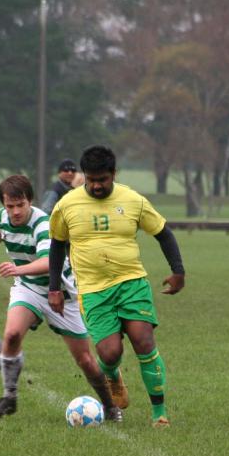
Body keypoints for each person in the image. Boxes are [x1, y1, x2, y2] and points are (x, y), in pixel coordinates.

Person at [48, 145, 185, 427]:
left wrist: (178, 271)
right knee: (110, 353)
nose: (96, 186)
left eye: (102, 179)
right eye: (91, 180)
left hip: (131, 283)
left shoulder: (133, 200)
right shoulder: (67, 205)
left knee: (144, 342)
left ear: (114, 174)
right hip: (93, 290)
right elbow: (57, 245)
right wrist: (54, 288)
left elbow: (163, 233)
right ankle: (112, 374)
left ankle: (159, 413)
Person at [0, 174, 122, 421]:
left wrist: (17, 269)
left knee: (85, 360)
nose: (14, 212)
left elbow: (48, 262)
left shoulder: (43, 224)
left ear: (30, 201)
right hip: (29, 288)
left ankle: (110, 405)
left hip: (62, 293)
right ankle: (9, 397)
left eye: (20, 205)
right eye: (9, 206)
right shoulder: (1, 217)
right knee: (11, 335)